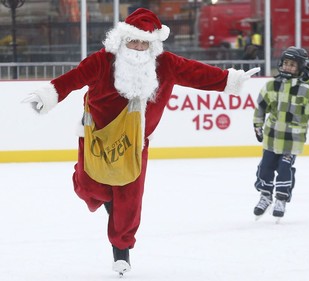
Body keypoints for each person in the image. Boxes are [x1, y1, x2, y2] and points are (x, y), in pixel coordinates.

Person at [22, 8, 260, 276]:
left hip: (136, 143)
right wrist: (47, 94)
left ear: (153, 45)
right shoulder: (103, 61)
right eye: (133, 41)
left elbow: (196, 74)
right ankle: (99, 195)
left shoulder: (165, 64)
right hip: (97, 136)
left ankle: (121, 254)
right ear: (122, 41)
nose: (138, 47)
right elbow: (74, 79)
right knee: (90, 187)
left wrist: (230, 80)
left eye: (144, 43)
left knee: (128, 200)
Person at [252, 46, 309, 221]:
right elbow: (261, 107)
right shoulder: (271, 86)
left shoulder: (305, 91)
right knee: (265, 168)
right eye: (286, 63)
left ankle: (281, 199)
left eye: (293, 65)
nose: (288, 67)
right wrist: (257, 125)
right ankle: (265, 195)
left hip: (292, 141)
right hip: (272, 138)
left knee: (285, 169)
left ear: (301, 67)